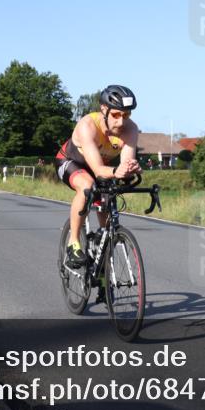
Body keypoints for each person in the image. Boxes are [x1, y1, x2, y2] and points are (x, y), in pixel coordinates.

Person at [56, 85, 141, 271]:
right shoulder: (88, 126)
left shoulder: (131, 130)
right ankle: (74, 243)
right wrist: (117, 171)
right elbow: (98, 169)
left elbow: (125, 162)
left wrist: (131, 168)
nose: (121, 122)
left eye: (126, 116)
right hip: (71, 162)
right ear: (104, 109)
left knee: (108, 203)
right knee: (87, 186)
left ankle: (103, 260)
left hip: (101, 168)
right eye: (116, 115)